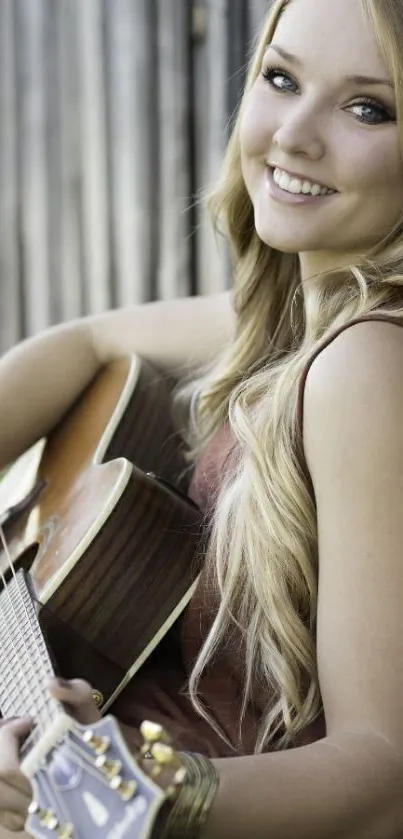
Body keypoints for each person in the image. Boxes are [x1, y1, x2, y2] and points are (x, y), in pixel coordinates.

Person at [1, 0, 403, 835]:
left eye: (367, 106)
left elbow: (382, 769)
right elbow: (88, 339)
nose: (292, 134)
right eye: (280, 78)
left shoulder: (364, 366)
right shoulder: (304, 318)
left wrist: (146, 786)